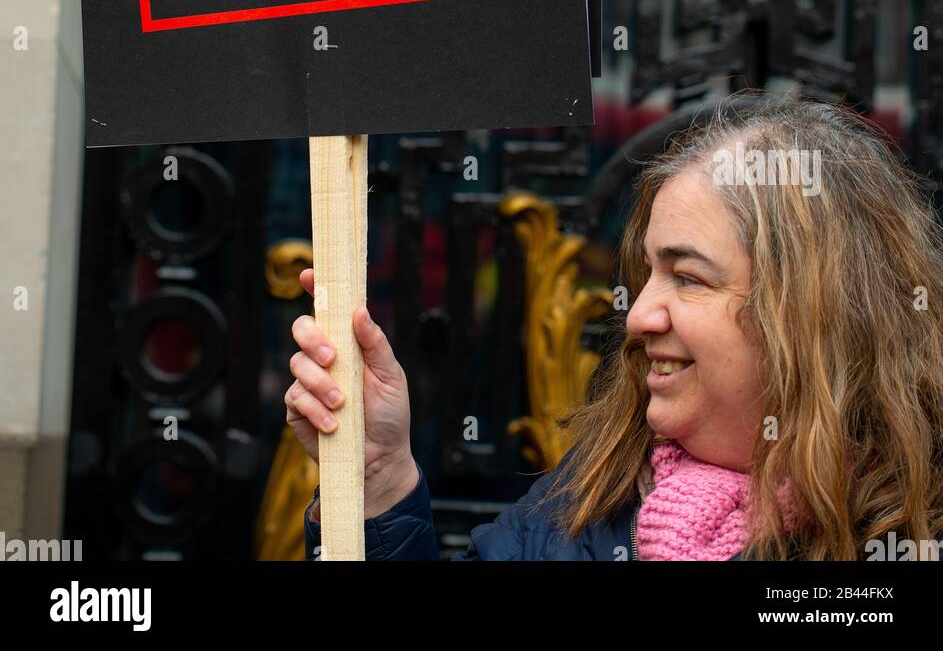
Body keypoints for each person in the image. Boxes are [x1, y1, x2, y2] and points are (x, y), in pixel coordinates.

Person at [285, 95, 943, 560]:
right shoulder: (590, 493)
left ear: (811, 309)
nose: (639, 315)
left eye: (687, 278)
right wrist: (379, 481)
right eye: (648, 272)